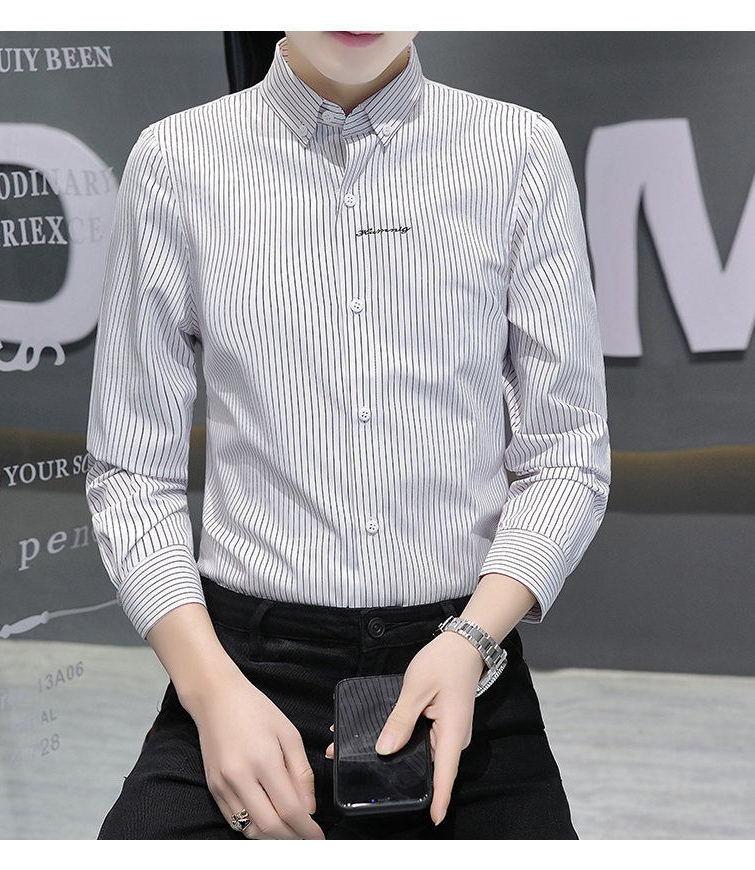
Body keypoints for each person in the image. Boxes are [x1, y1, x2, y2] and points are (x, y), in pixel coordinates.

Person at [85, 30, 611, 840]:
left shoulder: (517, 151)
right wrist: (211, 692)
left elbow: (567, 452)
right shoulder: (175, 161)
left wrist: (471, 640)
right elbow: (130, 471)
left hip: (462, 660)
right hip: (246, 668)